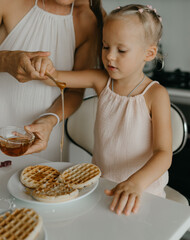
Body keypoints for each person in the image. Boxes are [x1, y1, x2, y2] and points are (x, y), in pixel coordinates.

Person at [31, 4, 172, 215]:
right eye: (106, 47)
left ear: (149, 53)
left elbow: (163, 153)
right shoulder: (101, 80)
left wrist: (135, 183)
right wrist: (44, 66)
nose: (110, 56)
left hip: (143, 192)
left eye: (121, 50)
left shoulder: (155, 95)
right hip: (101, 187)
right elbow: (56, 78)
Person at [0, 0, 104, 161]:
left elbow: (75, 91)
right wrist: (6, 61)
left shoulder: (86, 20)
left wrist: (49, 120)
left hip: (46, 139)